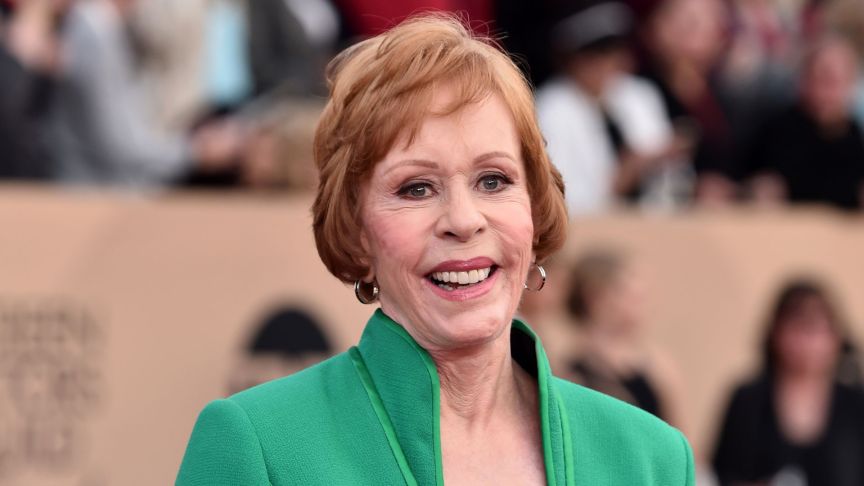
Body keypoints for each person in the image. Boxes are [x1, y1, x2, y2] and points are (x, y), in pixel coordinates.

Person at [176, 14, 695, 485]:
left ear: (534, 212)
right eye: (416, 188)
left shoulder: (652, 460)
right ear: (358, 232)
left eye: (493, 180)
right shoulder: (257, 446)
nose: (464, 221)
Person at [535, 2, 693, 214]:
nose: (606, 64)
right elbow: (562, 200)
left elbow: (674, 184)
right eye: (595, 55)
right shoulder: (550, 108)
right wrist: (625, 174)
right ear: (570, 59)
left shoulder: (639, 94)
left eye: (613, 52)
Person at [712, 279, 864, 486]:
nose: (810, 342)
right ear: (776, 332)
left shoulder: (855, 403)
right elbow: (719, 473)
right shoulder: (748, 399)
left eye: (820, 329)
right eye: (800, 327)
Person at [563, 250, 688, 432]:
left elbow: (681, 441)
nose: (642, 304)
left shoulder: (657, 366)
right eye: (629, 294)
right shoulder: (567, 370)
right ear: (594, 296)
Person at [745, 35, 864, 211]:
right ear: (804, 81)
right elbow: (740, 182)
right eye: (824, 78)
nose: (831, 90)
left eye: (839, 81)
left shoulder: (854, 136)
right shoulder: (776, 130)